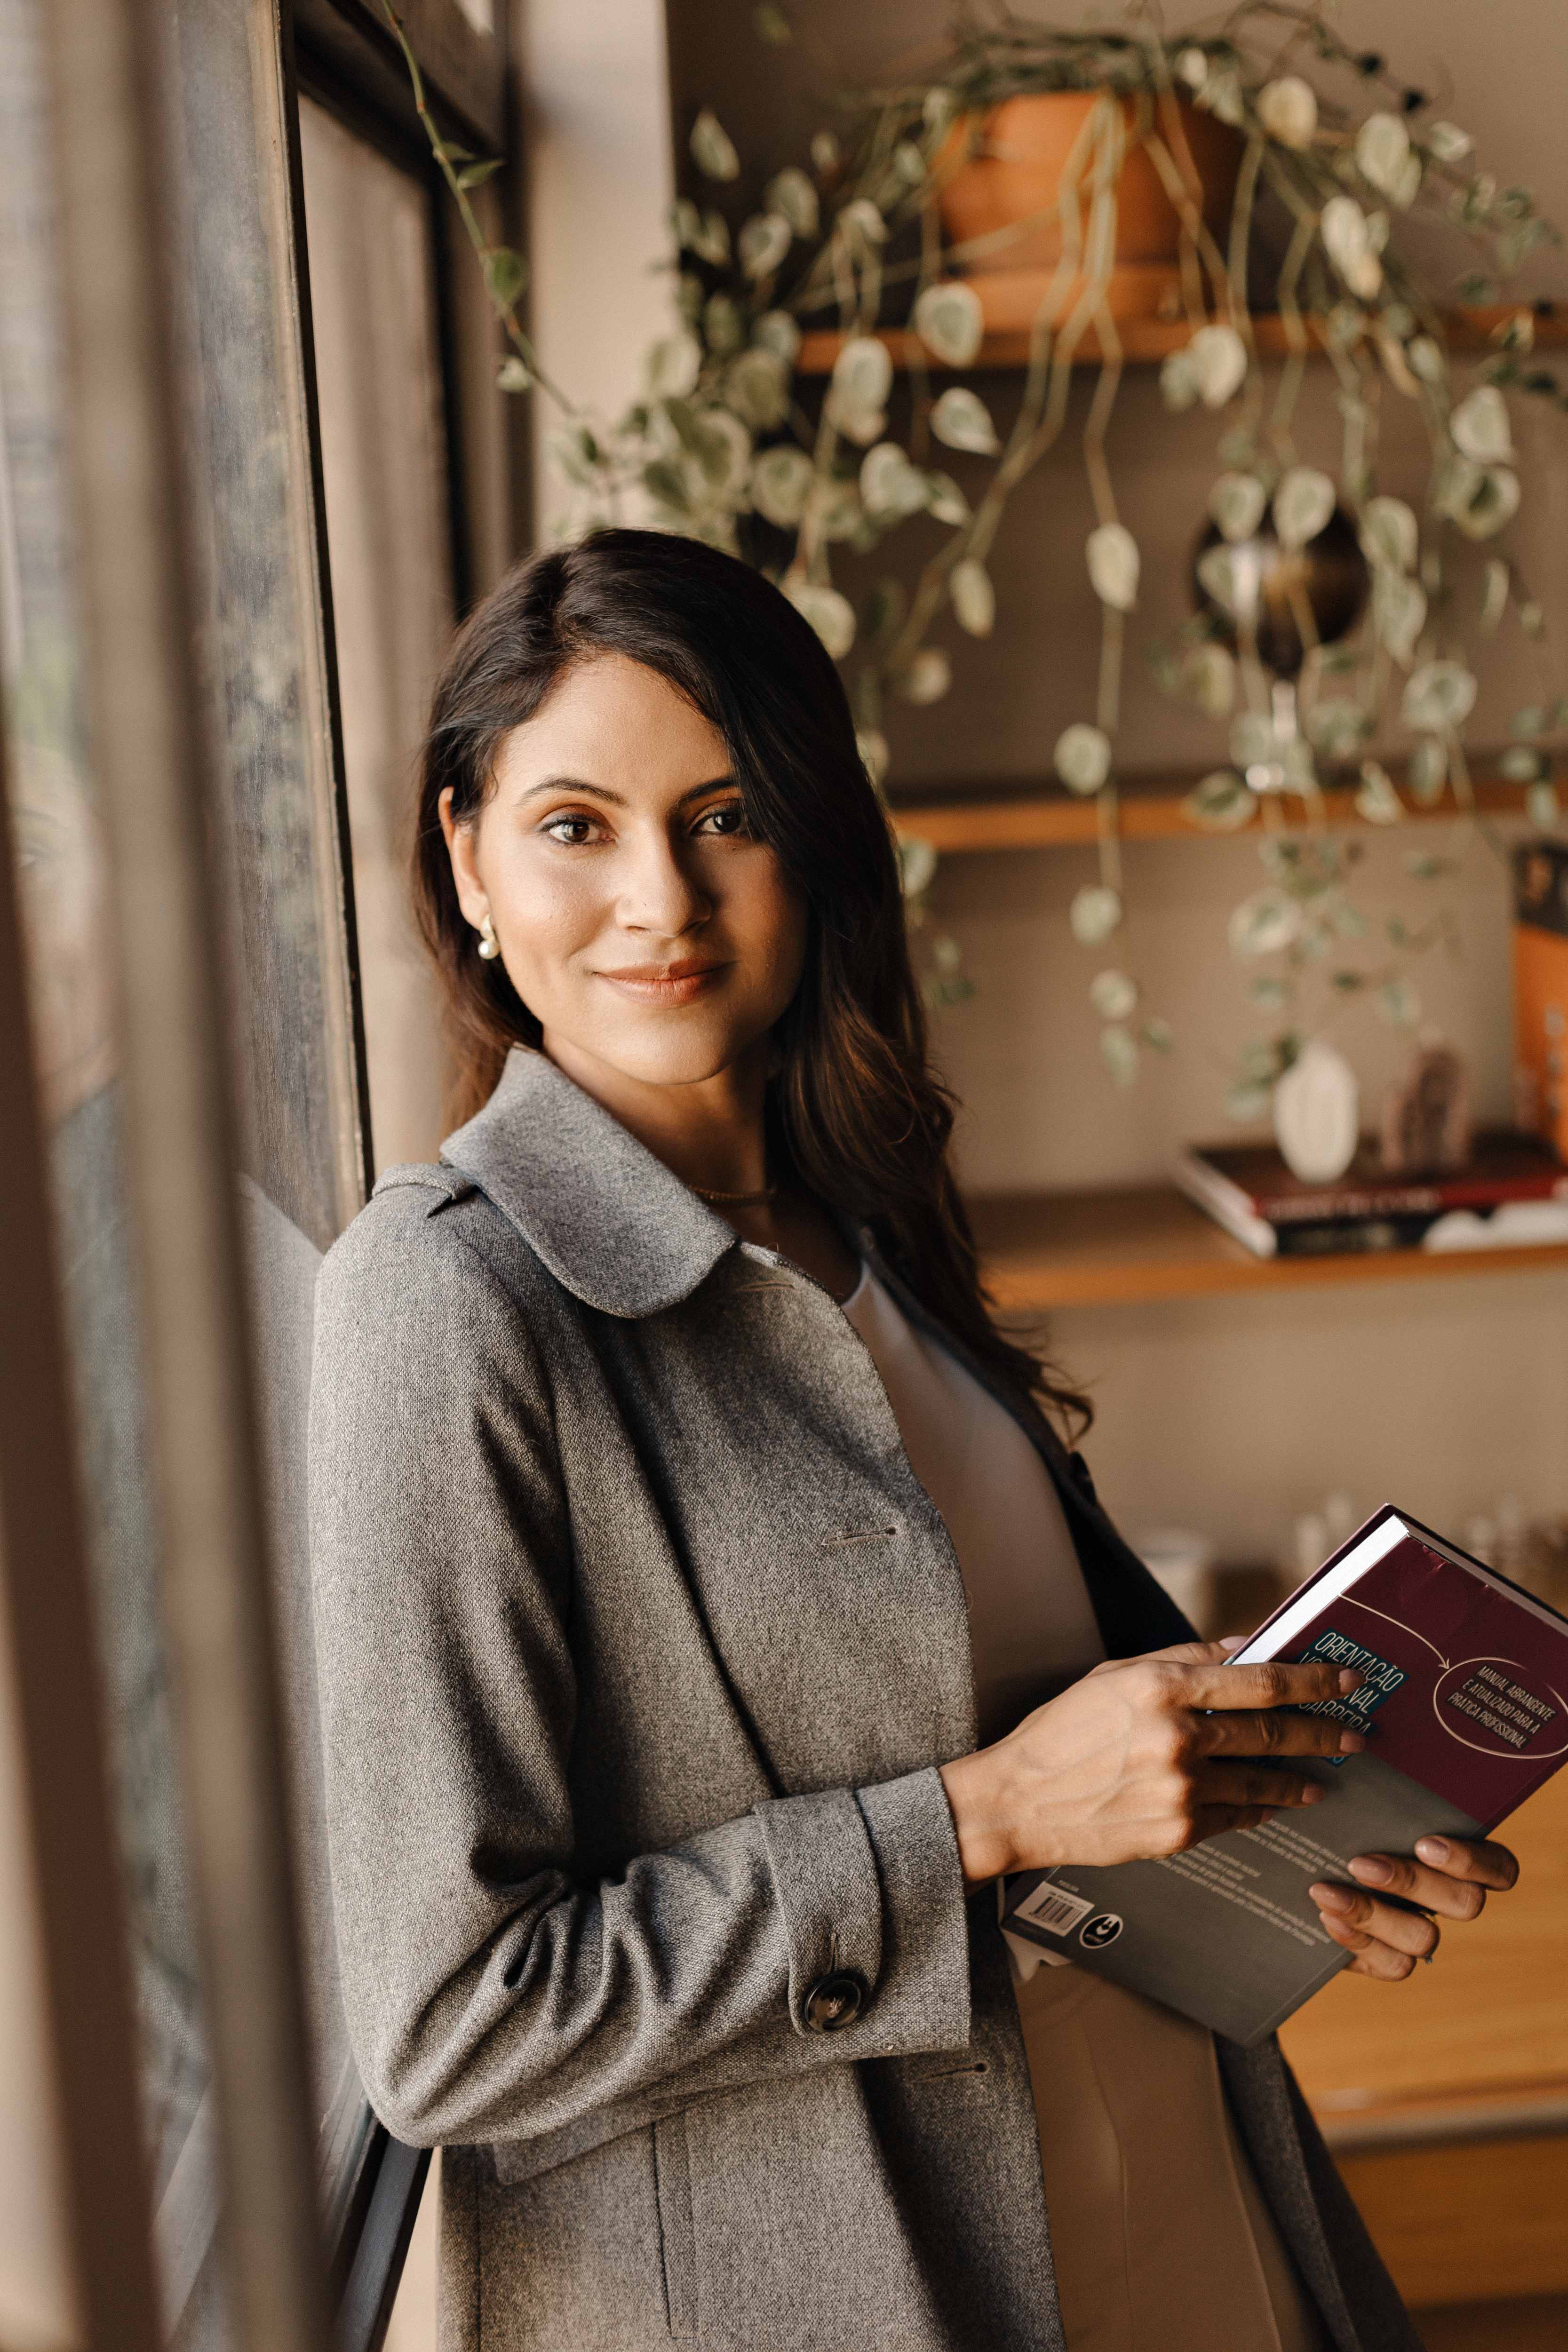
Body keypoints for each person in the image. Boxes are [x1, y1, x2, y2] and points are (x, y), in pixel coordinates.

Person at [309, 530, 1518, 2352]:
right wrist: (990, 1812)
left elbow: (1056, 1752)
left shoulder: (861, 1217)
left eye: (723, 814)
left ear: (814, 845)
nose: (660, 897)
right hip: (851, 2279)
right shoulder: (445, 1300)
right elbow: (456, 2016)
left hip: (1184, 2169)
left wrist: (1288, 1830)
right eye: (576, 825)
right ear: (465, 859)